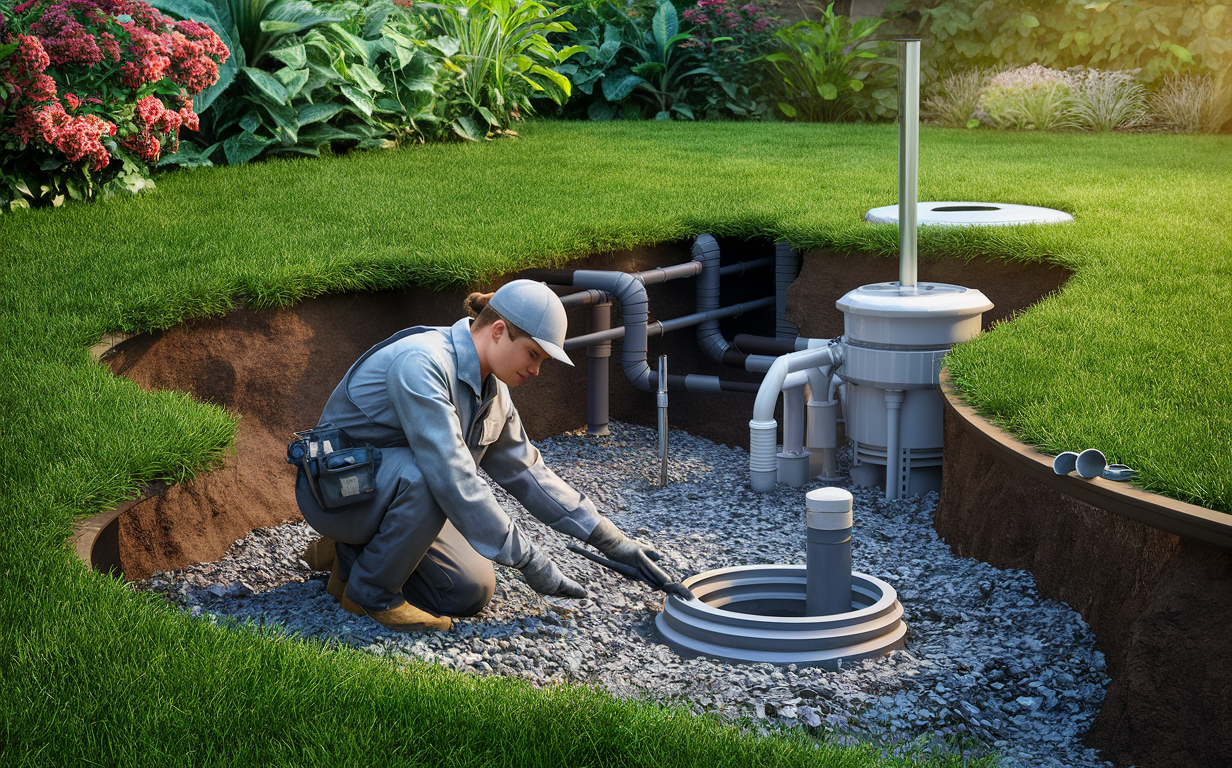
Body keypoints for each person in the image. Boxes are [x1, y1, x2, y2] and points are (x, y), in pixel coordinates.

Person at [294, 280, 669, 633]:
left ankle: (352, 556)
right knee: (430, 474)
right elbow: (451, 476)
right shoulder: (422, 364)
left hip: (389, 491)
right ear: (499, 330)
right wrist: (530, 560)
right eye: (533, 354)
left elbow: (528, 473)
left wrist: (612, 540)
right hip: (338, 496)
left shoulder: (493, 394)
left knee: (466, 591)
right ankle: (371, 594)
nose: (537, 371)